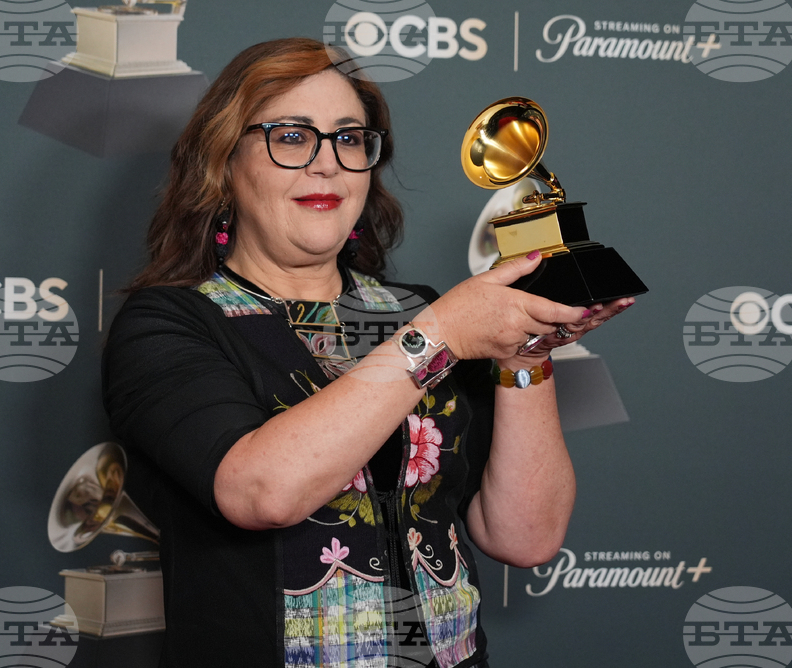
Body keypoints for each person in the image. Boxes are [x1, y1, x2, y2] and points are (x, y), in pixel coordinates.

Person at [102, 37, 634, 668]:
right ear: (222, 163)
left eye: (349, 138)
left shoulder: (420, 310)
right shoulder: (170, 323)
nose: (326, 163)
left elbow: (526, 535)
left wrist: (526, 356)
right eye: (292, 136)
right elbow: (262, 491)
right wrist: (440, 336)